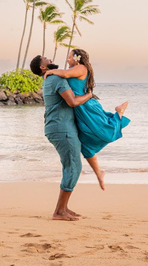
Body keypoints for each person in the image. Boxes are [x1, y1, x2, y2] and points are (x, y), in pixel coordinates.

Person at [44, 49, 130, 191]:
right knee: (85, 144)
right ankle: (99, 173)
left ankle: (119, 113)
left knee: (105, 132)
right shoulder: (74, 69)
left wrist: (51, 71)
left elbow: (65, 74)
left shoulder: (81, 68)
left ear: (76, 59)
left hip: (87, 107)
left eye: (69, 57)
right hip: (79, 109)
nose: (67, 60)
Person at [30, 55, 93, 221]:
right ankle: (59, 211)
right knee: (74, 166)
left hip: (58, 127)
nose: (50, 59)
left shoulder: (50, 79)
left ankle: (63, 208)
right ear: (43, 67)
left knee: (70, 165)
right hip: (61, 128)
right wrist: (89, 95)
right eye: (46, 59)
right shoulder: (56, 78)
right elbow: (72, 102)